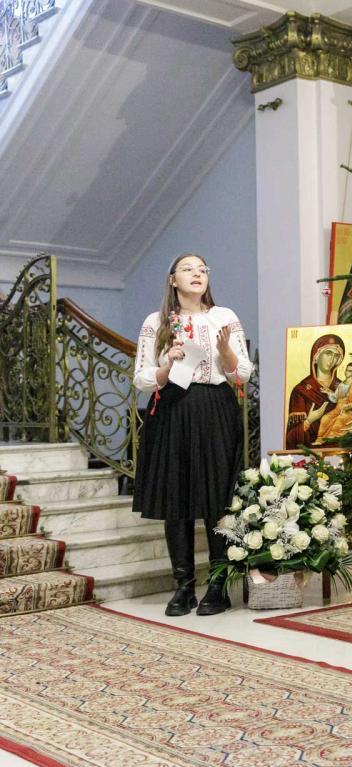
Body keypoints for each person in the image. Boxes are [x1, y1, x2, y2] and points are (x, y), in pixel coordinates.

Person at [132, 253, 253, 617]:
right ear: (173, 279)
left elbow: (242, 374)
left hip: (214, 407)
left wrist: (225, 351)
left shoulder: (224, 316)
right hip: (172, 408)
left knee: (217, 497)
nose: (197, 274)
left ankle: (217, 585)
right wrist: (168, 363)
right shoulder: (156, 321)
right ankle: (183, 587)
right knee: (176, 496)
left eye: (202, 269)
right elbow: (142, 378)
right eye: (188, 269)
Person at [286, 334, 346, 448]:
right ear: (316, 356)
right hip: (310, 453)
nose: (332, 359)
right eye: (328, 353)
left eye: (336, 356)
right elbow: (290, 440)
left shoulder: (343, 388)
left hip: (341, 452)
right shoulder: (301, 391)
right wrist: (308, 421)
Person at [316, 362, 352, 443]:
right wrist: (328, 392)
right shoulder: (342, 384)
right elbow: (335, 398)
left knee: (339, 420)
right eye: (346, 370)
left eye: (349, 371)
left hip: (349, 411)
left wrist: (347, 406)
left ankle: (331, 441)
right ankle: (320, 439)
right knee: (325, 418)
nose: (346, 372)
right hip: (338, 409)